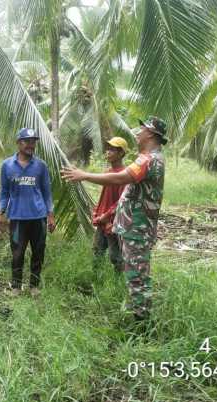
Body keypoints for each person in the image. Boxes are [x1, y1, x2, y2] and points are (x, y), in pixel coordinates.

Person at [62, 117, 167, 321]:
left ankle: (142, 326)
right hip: (134, 225)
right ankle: (137, 311)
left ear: (151, 134)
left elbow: (121, 178)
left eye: (142, 129)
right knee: (134, 271)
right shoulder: (148, 157)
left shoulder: (149, 159)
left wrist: (83, 175)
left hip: (137, 227)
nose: (137, 132)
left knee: (138, 274)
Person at [0, 128, 56, 296]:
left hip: (38, 218)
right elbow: (4, 193)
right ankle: (16, 287)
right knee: (17, 253)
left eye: (33, 142)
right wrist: (1, 212)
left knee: (38, 252)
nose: (31, 145)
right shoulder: (7, 165)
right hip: (17, 219)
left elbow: (47, 192)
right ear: (19, 143)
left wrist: (50, 215)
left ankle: (34, 286)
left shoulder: (41, 166)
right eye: (27, 141)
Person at [92, 137, 129, 272]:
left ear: (121, 153)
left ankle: (119, 284)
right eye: (108, 149)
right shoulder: (108, 172)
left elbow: (121, 202)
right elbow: (104, 196)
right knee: (97, 251)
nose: (108, 152)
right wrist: (97, 212)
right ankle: (96, 280)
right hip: (102, 220)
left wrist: (106, 216)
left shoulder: (123, 175)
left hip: (114, 222)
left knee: (116, 256)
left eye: (112, 150)